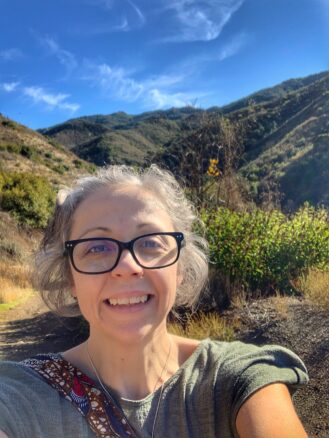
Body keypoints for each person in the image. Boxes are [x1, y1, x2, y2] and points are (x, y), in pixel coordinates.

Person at [0, 164, 308, 438]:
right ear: (70, 277)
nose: (127, 266)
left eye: (150, 243)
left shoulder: (233, 380)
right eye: (96, 248)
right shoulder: (19, 395)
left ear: (180, 268)